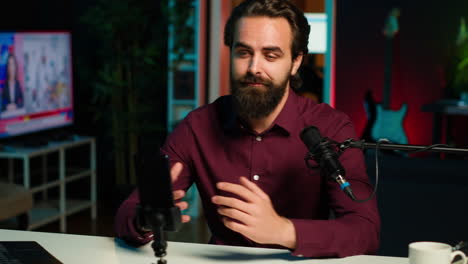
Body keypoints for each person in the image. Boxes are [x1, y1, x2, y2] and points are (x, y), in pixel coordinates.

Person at [116, 0, 380, 258]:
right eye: (243, 53)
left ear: (296, 61)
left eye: (270, 55)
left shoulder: (331, 127)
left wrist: (283, 231)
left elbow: (365, 231)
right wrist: (146, 218)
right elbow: (127, 214)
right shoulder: (197, 126)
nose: (254, 68)